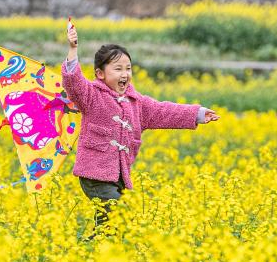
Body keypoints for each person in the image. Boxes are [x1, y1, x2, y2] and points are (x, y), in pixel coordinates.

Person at [63, 18, 220, 238]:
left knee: (109, 229)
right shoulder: (91, 97)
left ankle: (87, 255)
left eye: (128, 68)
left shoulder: (137, 103)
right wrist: (72, 50)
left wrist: (197, 113)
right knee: (120, 215)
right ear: (100, 74)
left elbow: (165, 111)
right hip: (94, 175)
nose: (124, 74)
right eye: (117, 69)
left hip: (118, 176)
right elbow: (74, 83)